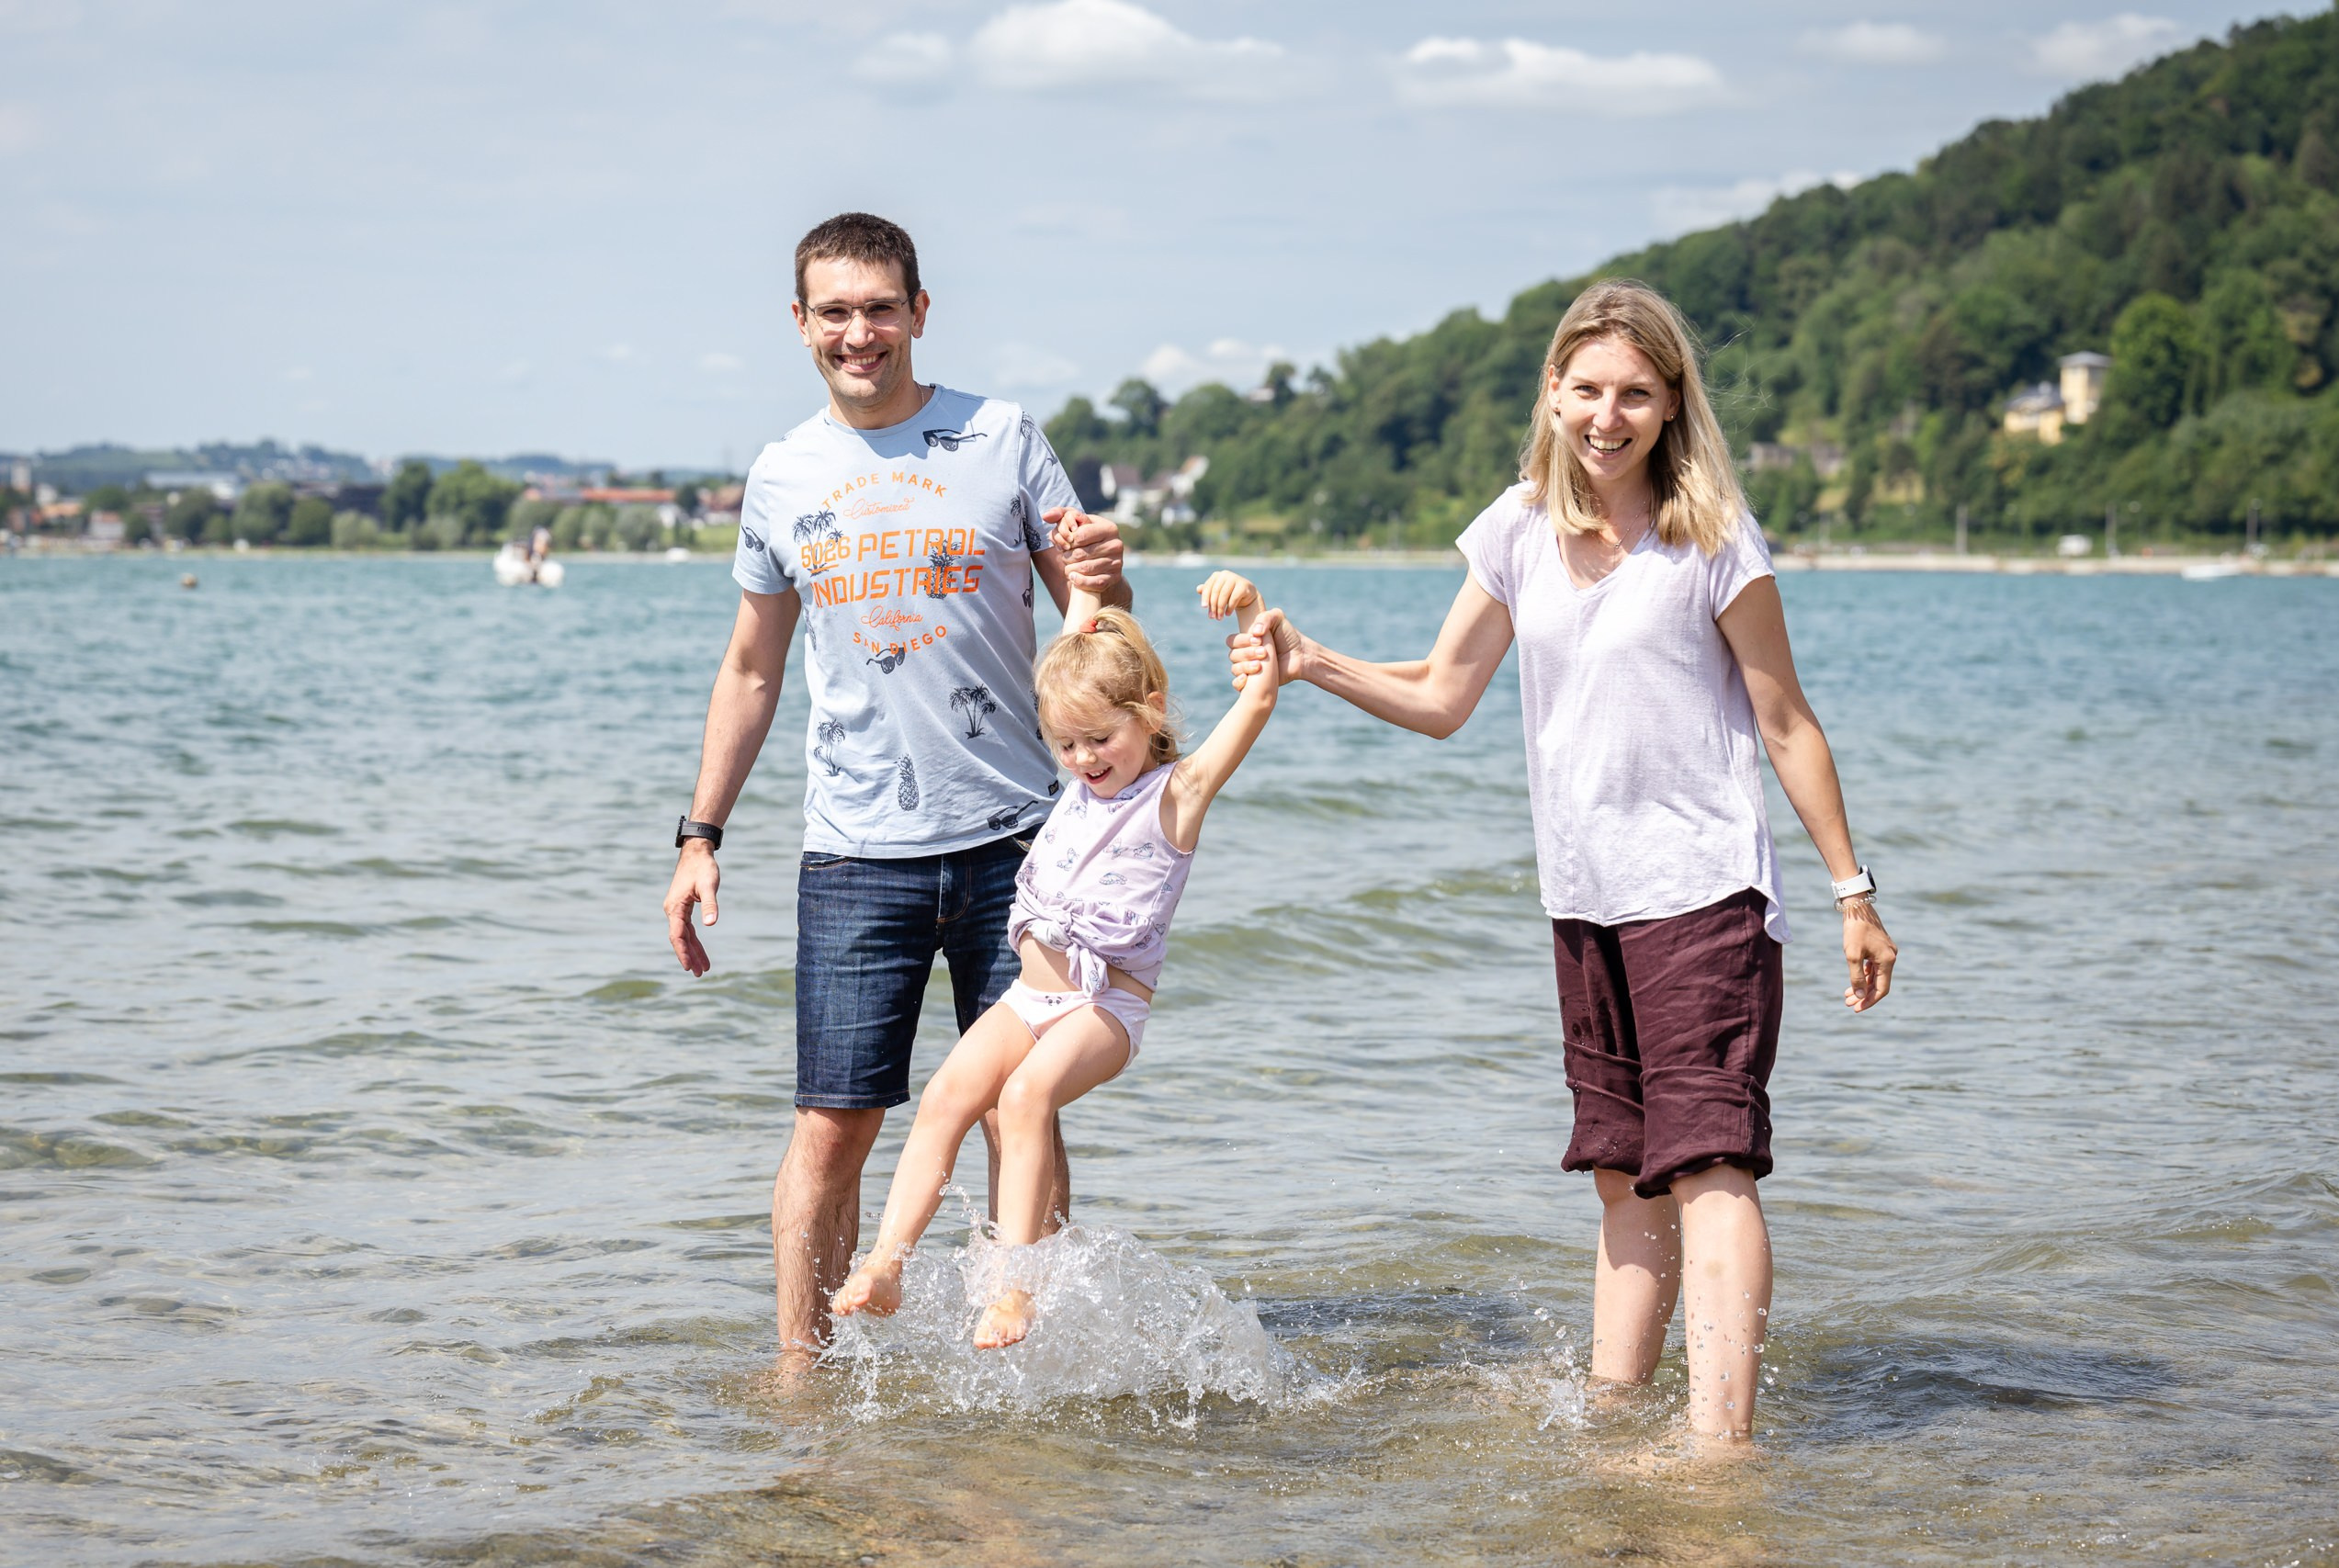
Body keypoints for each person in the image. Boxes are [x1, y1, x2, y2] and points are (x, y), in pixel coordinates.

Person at [1228, 278, 1898, 1444]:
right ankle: (1612, 1415)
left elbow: (1785, 719)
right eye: (1586, 388)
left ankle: (1714, 1449)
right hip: (1583, 898)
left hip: (1703, 893)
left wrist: (1852, 891)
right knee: (1623, 1172)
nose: (1607, 414)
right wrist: (1307, 657)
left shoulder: (1711, 537)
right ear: (1550, 392)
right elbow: (1442, 698)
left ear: (1671, 404)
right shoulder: (1515, 530)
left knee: (1710, 1168)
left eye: (1635, 393)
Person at [659, 211, 1131, 1361]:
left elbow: (1093, 629)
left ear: (920, 312)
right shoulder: (781, 475)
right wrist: (699, 834)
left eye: (880, 308)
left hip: (1021, 838)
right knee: (833, 1124)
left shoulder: (1003, 438)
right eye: (835, 311)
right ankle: (798, 1382)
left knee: (1023, 1113)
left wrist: (1103, 585)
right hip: (855, 849)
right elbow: (752, 665)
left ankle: (1033, 1366)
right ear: (800, 324)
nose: (858, 332)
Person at [831, 565, 1283, 1348]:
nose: (1081, 759)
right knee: (945, 1095)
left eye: (1100, 739)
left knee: (1025, 1098)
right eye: (1065, 743)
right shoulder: (1079, 780)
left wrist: (1244, 609)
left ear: (1149, 714)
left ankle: (1014, 1289)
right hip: (1029, 997)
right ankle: (886, 1262)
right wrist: (1079, 578)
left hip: (1104, 1007)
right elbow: (1076, 630)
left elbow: (1261, 695)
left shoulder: (1176, 794)